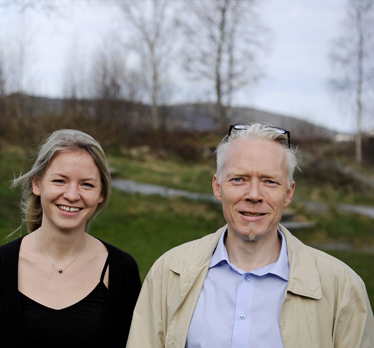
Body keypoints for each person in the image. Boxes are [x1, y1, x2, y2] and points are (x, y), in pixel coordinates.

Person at [127, 123, 374, 348]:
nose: (254, 194)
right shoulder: (168, 274)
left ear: (288, 193)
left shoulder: (343, 289)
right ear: (217, 186)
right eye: (239, 179)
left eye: (269, 181)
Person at [0, 129, 141, 348]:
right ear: (37, 184)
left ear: (101, 193)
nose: (72, 195)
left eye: (87, 184)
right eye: (60, 181)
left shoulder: (122, 271)